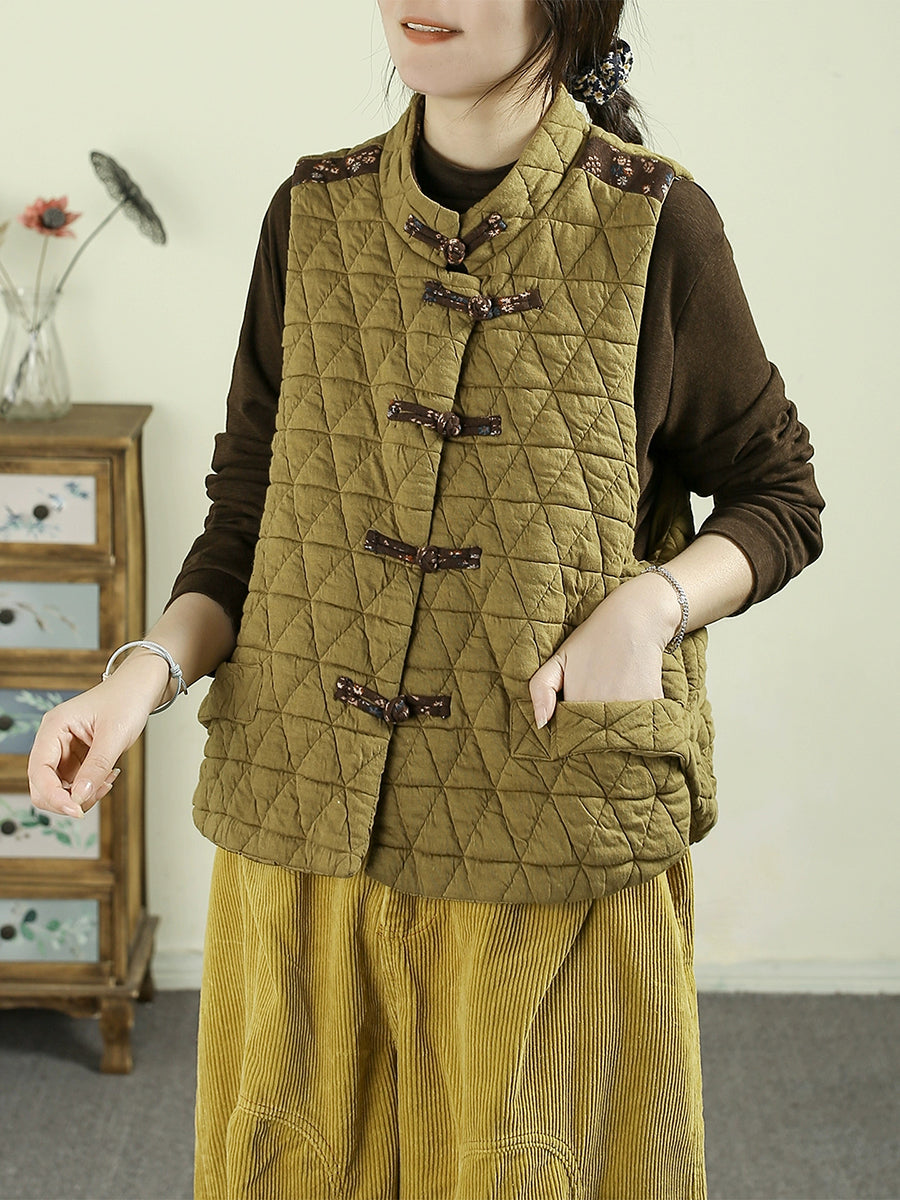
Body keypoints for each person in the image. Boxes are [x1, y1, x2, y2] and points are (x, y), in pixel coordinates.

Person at [28, 1, 824, 1196]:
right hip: (302, 825)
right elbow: (249, 513)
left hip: (542, 823)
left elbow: (779, 495)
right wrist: (138, 680)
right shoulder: (311, 214)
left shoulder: (655, 224)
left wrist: (650, 607)